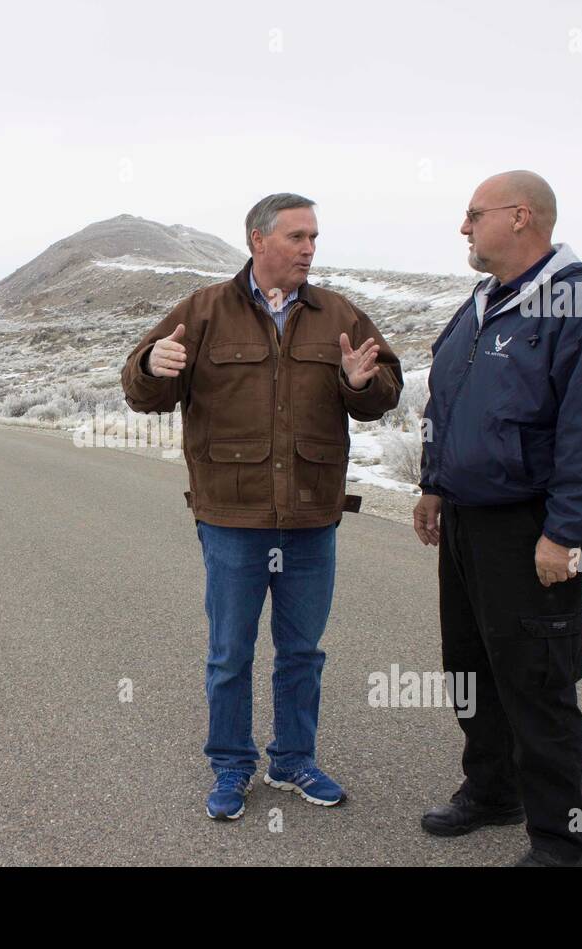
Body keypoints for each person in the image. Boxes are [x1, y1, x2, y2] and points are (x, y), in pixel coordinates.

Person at [120, 193, 402, 820]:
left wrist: (361, 382)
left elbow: (385, 387)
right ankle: (230, 766)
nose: (309, 249)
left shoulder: (339, 314)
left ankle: (294, 759)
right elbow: (141, 391)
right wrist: (150, 364)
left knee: (302, 651)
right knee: (230, 653)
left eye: (314, 238)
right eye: (297, 237)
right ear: (258, 240)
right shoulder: (204, 311)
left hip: (310, 517)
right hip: (231, 519)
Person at [413, 170, 582, 865]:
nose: (463, 228)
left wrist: (565, 529)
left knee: (537, 682)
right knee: (472, 666)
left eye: (473, 214)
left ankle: (561, 840)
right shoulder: (482, 303)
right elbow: (446, 405)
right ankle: (492, 791)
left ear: (520, 217)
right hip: (468, 522)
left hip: (533, 525)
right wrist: (433, 484)